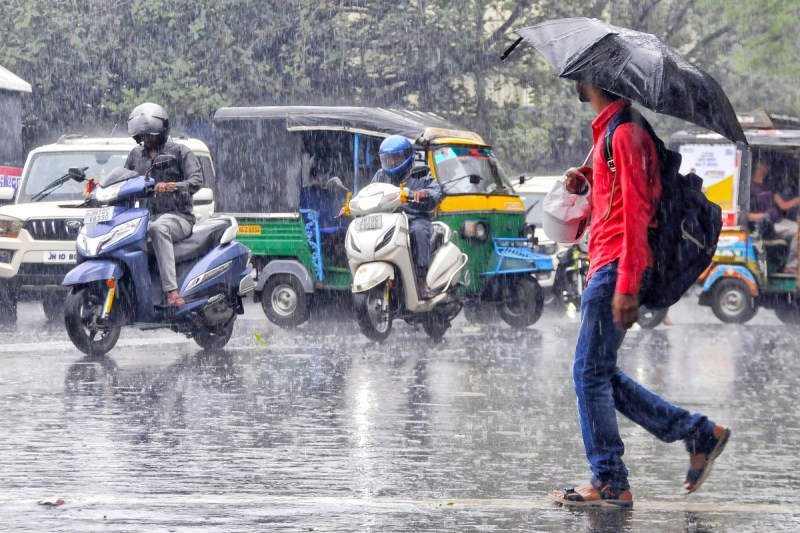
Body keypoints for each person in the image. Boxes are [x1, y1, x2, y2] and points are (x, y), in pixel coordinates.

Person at [549, 81, 730, 508]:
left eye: (578, 75)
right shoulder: (613, 132)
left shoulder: (625, 133)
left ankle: (611, 479)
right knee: (599, 373)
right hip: (609, 263)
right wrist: (588, 179)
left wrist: (627, 284)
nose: (573, 81)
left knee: (589, 374)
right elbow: (621, 197)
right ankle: (698, 432)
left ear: (592, 77)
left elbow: (636, 211)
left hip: (615, 267)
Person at [125, 102, 203, 307]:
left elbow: (196, 181)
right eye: (142, 135)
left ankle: (172, 291)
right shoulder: (135, 155)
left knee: (158, 228)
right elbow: (123, 180)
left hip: (178, 217)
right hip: (143, 219)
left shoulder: (180, 152)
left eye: (149, 134)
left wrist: (172, 186)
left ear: (161, 131)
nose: (145, 139)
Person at [371, 135, 441, 299]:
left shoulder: (422, 173)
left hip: (414, 219)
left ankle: (422, 281)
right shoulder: (381, 175)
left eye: (396, 157)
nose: (393, 162)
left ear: (407, 156)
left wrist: (424, 193)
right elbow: (369, 191)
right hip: (388, 221)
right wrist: (352, 204)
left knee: (418, 232)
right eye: (388, 158)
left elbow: (436, 191)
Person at [747, 157, 799, 273]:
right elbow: (745, 214)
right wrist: (762, 216)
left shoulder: (769, 186)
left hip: (777, 222)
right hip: (765, 226)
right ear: (758, 165)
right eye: (765, 164)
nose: (768, 168)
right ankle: (791, 266)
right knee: (797, 230)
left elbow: (783, 205)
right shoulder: (749, 187)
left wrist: (798, 200)